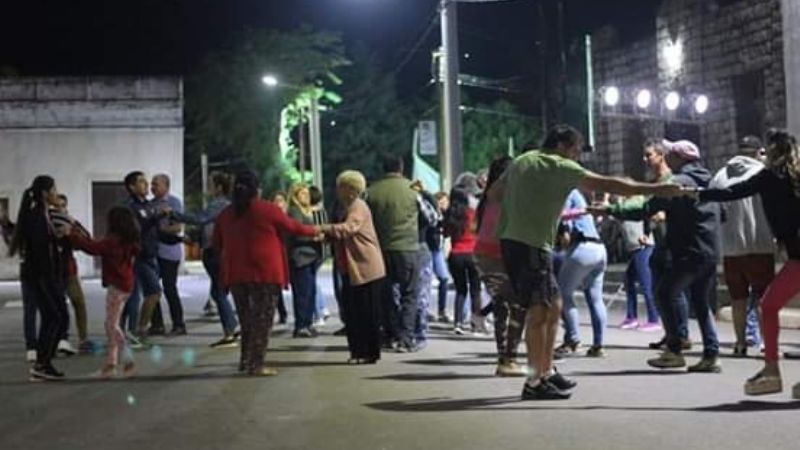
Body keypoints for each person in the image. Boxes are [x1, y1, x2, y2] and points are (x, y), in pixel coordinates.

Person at [489, 124, 681, 400]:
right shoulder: (560, 166)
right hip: (530, 244)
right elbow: (609, 184)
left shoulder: (522, 161)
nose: (578, 157)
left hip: (516, 241)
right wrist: (657, 189)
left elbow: (495, 193)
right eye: (576, 150)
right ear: (562, 147)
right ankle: (534, 381)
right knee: (539, 311)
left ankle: (545, 370)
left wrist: (525, 204)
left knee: (553, 305)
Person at [595, 139, 723, 373]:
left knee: (664, 293)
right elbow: (721, 214)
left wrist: (610, 210)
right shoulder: (710, 181)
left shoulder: (678, 183)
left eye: (670, 154)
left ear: (680, 158)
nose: (667, 157)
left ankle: (674, 350)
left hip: (689, 250)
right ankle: (711, 354)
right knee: (701, 302)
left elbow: (646, 209)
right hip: (710, 250)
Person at [693, 129, 800, 398]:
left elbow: (732, 192)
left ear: (772, 152)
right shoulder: (790, 176)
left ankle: (772, 371)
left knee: (769, 306)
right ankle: (771, 369)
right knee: (769, 305)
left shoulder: (767, 176)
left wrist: (696, 193)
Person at [213, 170, 321, 376]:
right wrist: (317, 230)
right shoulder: (267, 210)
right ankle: (257, 364)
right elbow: (293, 227)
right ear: (257, 189)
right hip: (265, 272)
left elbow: (216, 244)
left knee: (246, 321)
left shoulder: (226, 214)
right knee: (262, 321)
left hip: (237, 273)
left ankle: (246, 361)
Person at [708, 135, 775, 357]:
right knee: (765, 299)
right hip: (760, 244)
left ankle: (739, 343)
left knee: (737, 299)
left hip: (731, 248)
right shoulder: (764, 174)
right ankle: (767, 344)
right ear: (758, 152)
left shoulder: (720, 175)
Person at [68, 206, 140, 378]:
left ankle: (126, 361)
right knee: (112, 324)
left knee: (111, 325)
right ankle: (111, 364)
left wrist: (70, 235)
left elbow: (92, 247)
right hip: (126, 283)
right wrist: (77, 228)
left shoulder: (113, 241)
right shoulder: (128, 239)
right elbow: (95, 243)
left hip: (117, 286)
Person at [170, 172, 240, 348]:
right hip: (221, 250)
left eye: (210, 184)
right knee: (219, 291)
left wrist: (175, 215)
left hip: (215, 252)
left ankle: (230, 330)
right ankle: (231, 327)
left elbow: (200, 220)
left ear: (218, 187)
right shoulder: (229, 205)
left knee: (219, 292)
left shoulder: (219, 205)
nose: (208, 188)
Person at [10, 175, 69, 380]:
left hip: (44, 275)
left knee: (54, 316)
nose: (56, 194)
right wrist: (49, 279)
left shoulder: (43, 214)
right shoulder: (36, 216)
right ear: (45, 193)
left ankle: (43, 363)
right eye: (54, 190)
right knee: (54, 316)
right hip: (39, 276)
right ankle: (42, 364)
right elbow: (39, 251)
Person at [324, 170, 386, 364]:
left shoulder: (358, 206)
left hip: (365, 267)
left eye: (340, 186)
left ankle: (367, 352)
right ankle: (358, 351)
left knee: (365, 312)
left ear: (350, 189)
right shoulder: (348, 206)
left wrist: (323, 228)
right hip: (352, 268)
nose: (337, 190)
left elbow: (350, 228)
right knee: (353, 311)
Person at [475, 155, 526, 376]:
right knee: (516, 306)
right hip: (504, 253)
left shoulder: (487, 197)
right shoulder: (509, 194)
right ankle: (509, 359)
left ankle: (503, 357)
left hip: (485, 254)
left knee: (500, 307)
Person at [367, 154, 422, 352]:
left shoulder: (371, 192)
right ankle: (406, 338)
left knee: (385, 294)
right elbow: (431, 217)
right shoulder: (412, 189)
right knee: (410, 293)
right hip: (408, 248)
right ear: (401, 168)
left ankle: (390, 333)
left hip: (380, 250)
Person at [556, 189, 608, 357]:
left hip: (582, 247)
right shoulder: (579, 194)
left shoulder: (566, 191)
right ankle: (598, 345)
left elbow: (562, 218)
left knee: (562, 294)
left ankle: (572, 340)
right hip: (599, 248)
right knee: (596, 299)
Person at [49, 194, 88, 355]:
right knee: (56, 309)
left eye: (63, 206)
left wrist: (73, 225)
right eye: (57, 207)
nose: (61, 210)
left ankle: (83, 339)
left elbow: (87, 239)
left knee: (79, 303)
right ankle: (57, 340)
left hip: (69, 270)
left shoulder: (70, 224)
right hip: (52, 272)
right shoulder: (46, 225)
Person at [149, 174, 186, 336]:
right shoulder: (150, 204)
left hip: (169, 252)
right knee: (152, 289)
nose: (152, 187)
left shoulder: (173, 203)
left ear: (166, 186)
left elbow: (177, 227)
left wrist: (159, 230)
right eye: (152, 184)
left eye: (156, 184)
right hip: (153, 252)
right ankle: (157, 324)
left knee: (170, 288)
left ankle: (179, 324)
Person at [617, 196, 660, 332]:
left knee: (646, 283)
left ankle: (654, 319)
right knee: (629, 281)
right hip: (634, 248)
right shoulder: (622, 203)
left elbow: (653, 217)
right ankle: (631, 317)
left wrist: (647, 233)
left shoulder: (638, 201)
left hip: (643, 247)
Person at [444, 187, 484, 335]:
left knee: (460, 290)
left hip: (456, 255)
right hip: (473, 254)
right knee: (476, 290)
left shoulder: (450, 215)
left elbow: (446, 233)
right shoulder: (473, 214)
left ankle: (458, 323)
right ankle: (476, 325)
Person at [287, 183, 324, 338]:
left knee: (310, 291)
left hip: (312, 256)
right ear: (295, 196)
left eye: (307, 193)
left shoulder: (310, 211)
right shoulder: (294, 212)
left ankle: (308, 323)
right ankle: (301, 324)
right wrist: (314, 236)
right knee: (302, 292)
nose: (306, 196)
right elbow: (295, 231)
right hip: (300, 256)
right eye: (302, 194)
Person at [309, 185, 331, 326]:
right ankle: (322, 308)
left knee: (311, 282)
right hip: (323, 250)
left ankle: (319, 312)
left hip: (313, 250)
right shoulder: (323, 212)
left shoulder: (309, 213)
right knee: (313, 280)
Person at [269, 191, 290, 323]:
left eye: (281, 200)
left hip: (288, 252)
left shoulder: (289, 216)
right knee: (275, 285)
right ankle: (281, 312)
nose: (278, 203)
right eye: (276, 200)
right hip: (277, 254)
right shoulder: (271, 218)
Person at [432, 192, 451, 322]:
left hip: (438, 249)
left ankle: (441, 310)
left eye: (445, 202)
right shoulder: (432, 214)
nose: (443, 205)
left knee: (444, 279)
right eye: (441, 202)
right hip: (431, 248)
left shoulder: (446, 216)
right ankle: (426, 310)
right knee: (426, 282)